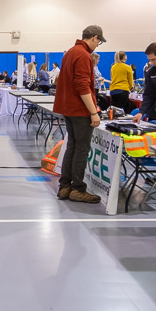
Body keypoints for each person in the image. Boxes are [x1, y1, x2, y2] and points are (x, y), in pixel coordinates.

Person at [53, 25, 106, 204]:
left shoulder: (70, 52)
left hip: (68, 108)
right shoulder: (84, 55)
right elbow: (82, 86)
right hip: (80, 110)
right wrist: (93, 112)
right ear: (94, 37)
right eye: (98, 41)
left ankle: (65, 186)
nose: (98, 45)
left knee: (72, 147)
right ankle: (77, 188)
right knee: (81, 149)